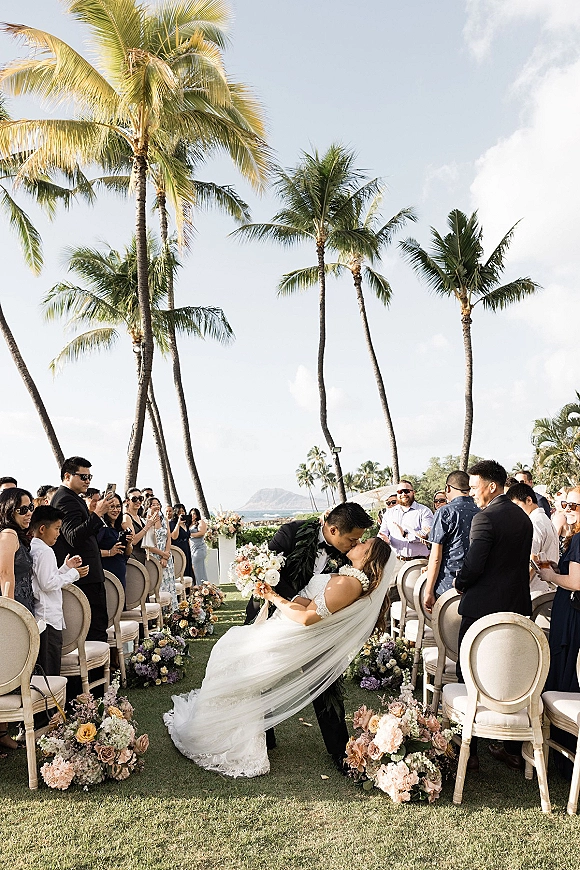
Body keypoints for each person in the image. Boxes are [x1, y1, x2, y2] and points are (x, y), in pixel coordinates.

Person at [164, 536, 395, 778]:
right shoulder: (348, 577)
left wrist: (274, 598)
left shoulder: (350, 584)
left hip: (290, 634)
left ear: (369, 557)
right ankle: (223, 730)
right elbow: (310, 603)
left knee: (231, 658)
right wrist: (276, 591)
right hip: (286, 624)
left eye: (362, 544)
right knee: (229, 655)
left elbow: (307, 618)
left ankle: (223, 739)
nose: (356, 543)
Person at [246, 502, 374, 767]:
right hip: (272, 614)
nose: (354, 545)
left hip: (314, 623)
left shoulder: (348, 559)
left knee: (325, 678)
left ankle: (341, 751)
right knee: (260, 674)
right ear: (334, 529)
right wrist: (293, 603)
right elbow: (267, 574)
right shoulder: (290, 533)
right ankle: (264, 736)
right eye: (352, 539)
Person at [455, 459, 533, 772]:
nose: (472, 493)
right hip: (516, 608)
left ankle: (468, 750)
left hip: (482, 613)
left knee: (467, 675)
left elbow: (474, 566)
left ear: (491, 486)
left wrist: (460, 582)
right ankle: (510, 748)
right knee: (511, 677)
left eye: (474, 487)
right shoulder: (522, 517)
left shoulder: (485, 518)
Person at [51, 456, 115, 642]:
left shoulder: (72, 498)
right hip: (83, 575)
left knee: (98, 626)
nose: (87, 481)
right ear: (67, 476)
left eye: (90, 477)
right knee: (94, 630)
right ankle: (96, 672)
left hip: (88, 573)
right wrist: (97, 514)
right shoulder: (65, 500)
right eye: (83, 477)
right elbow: (73, 536)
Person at [30, 505, 87, 676]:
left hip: (44, 616)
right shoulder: (45, 551)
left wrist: (65, 568)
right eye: (56, 528)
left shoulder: (35, 547)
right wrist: (73, 574)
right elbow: (48, 584)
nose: (58, 533)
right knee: (50, 669)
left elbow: (45, 579)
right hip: (47, 619)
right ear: (42, 529)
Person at [0, 487, 34, 751]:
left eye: (31, 508)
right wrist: (11, 617)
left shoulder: (18, 535)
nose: (29, 513)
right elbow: (5, 577)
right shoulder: (8, 535)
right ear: (9, 511)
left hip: (23, 606)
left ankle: (2, 734)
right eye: (23, 509)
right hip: (13, 610)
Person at [424, 471, 479, 612]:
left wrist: (429, 590)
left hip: (447, 585)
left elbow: (436, 557)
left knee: (445, 631)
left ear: (448, 488)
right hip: (476, 584)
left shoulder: (445, 512)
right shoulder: (481, 511)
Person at [506, 482, 559, 596]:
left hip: (535, 592)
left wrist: (519, 587)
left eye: (517, 505)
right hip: (545, 589)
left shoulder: (533, 523)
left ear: (529, 500)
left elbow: (532, 559)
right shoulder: (543, 520)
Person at [378, 480, 433, 560]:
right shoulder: (389, 513)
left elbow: (426, 535)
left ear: (413, 492)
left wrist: (406, 535)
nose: (403, 494)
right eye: (400, 492)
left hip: (418, 561)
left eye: (406, 491)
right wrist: (384, 540)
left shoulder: (424, 511)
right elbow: (382, 534)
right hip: (395, 561)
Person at [143, 496, 177, 610]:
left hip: (167, 556)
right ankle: (160, 615)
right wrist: (162, 554)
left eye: (158, 504)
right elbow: (148, 544)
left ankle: (172, 612)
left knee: (169, 585)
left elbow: (168, 537)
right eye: (153, 504)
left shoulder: (164, 519)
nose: (156, 506)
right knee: (159, 585)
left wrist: (166, 555)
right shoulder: (146, 521)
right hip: (154, 557)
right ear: (148, 506)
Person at [96, 492, 134, 590]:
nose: (116, 510)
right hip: (107, 575)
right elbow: (91, 551)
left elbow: (126, 553)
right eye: (111, 506)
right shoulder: (101, 527)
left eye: (118, 506)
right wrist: (109, 552)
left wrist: (129, 543)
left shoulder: (120, 528)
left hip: (120, 573)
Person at [123, 488, 156, 565]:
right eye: (134, 499)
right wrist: (147, 526)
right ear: (128, 501)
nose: (138, 501)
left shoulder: (139, 517)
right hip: (132, 558)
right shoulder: (127, 517)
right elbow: (133, 541)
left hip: (142, 556)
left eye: (140, 498)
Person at [170, 504, 194, 580]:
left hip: (186, 548)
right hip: (178, 548)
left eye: (183, 511)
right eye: (179, 512)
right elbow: (174, 537)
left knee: (188, 567)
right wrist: (178, 524)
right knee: (180, 568)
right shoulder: (172, 523)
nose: (182, 513)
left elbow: (187, 537)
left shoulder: (186, 524)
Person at [188, 508, 208, 583]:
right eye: (191, 514)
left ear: (197, 515)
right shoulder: (189, 524)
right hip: (192, 549)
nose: (192, 515)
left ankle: (202, 585)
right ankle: (198, 585)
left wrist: (189, 534)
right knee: (194, 567)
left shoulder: (200, 522)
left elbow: (201, 533)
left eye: (194, 514)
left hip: (199, 548)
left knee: (197, 566)